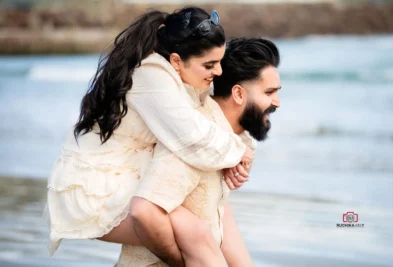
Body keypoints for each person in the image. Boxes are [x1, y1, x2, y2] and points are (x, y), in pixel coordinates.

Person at [46, 6, 253, 266]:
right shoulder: (151, 73)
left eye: (220, 62)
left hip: (126, 174)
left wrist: (240, 148)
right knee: (197, 235)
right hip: (95, 188)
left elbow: (210, 116)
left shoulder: (176, 74)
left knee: (206, 226)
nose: (219, 72)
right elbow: (189, 134)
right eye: (210, 64)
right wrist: (237, 150)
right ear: (177, 60)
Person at [118, 37, 281, 266]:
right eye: (269, 92)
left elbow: (220, 214)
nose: (278, 102)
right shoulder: (194, 140)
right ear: (238, 94)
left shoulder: (233, 141)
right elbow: (144, 212)